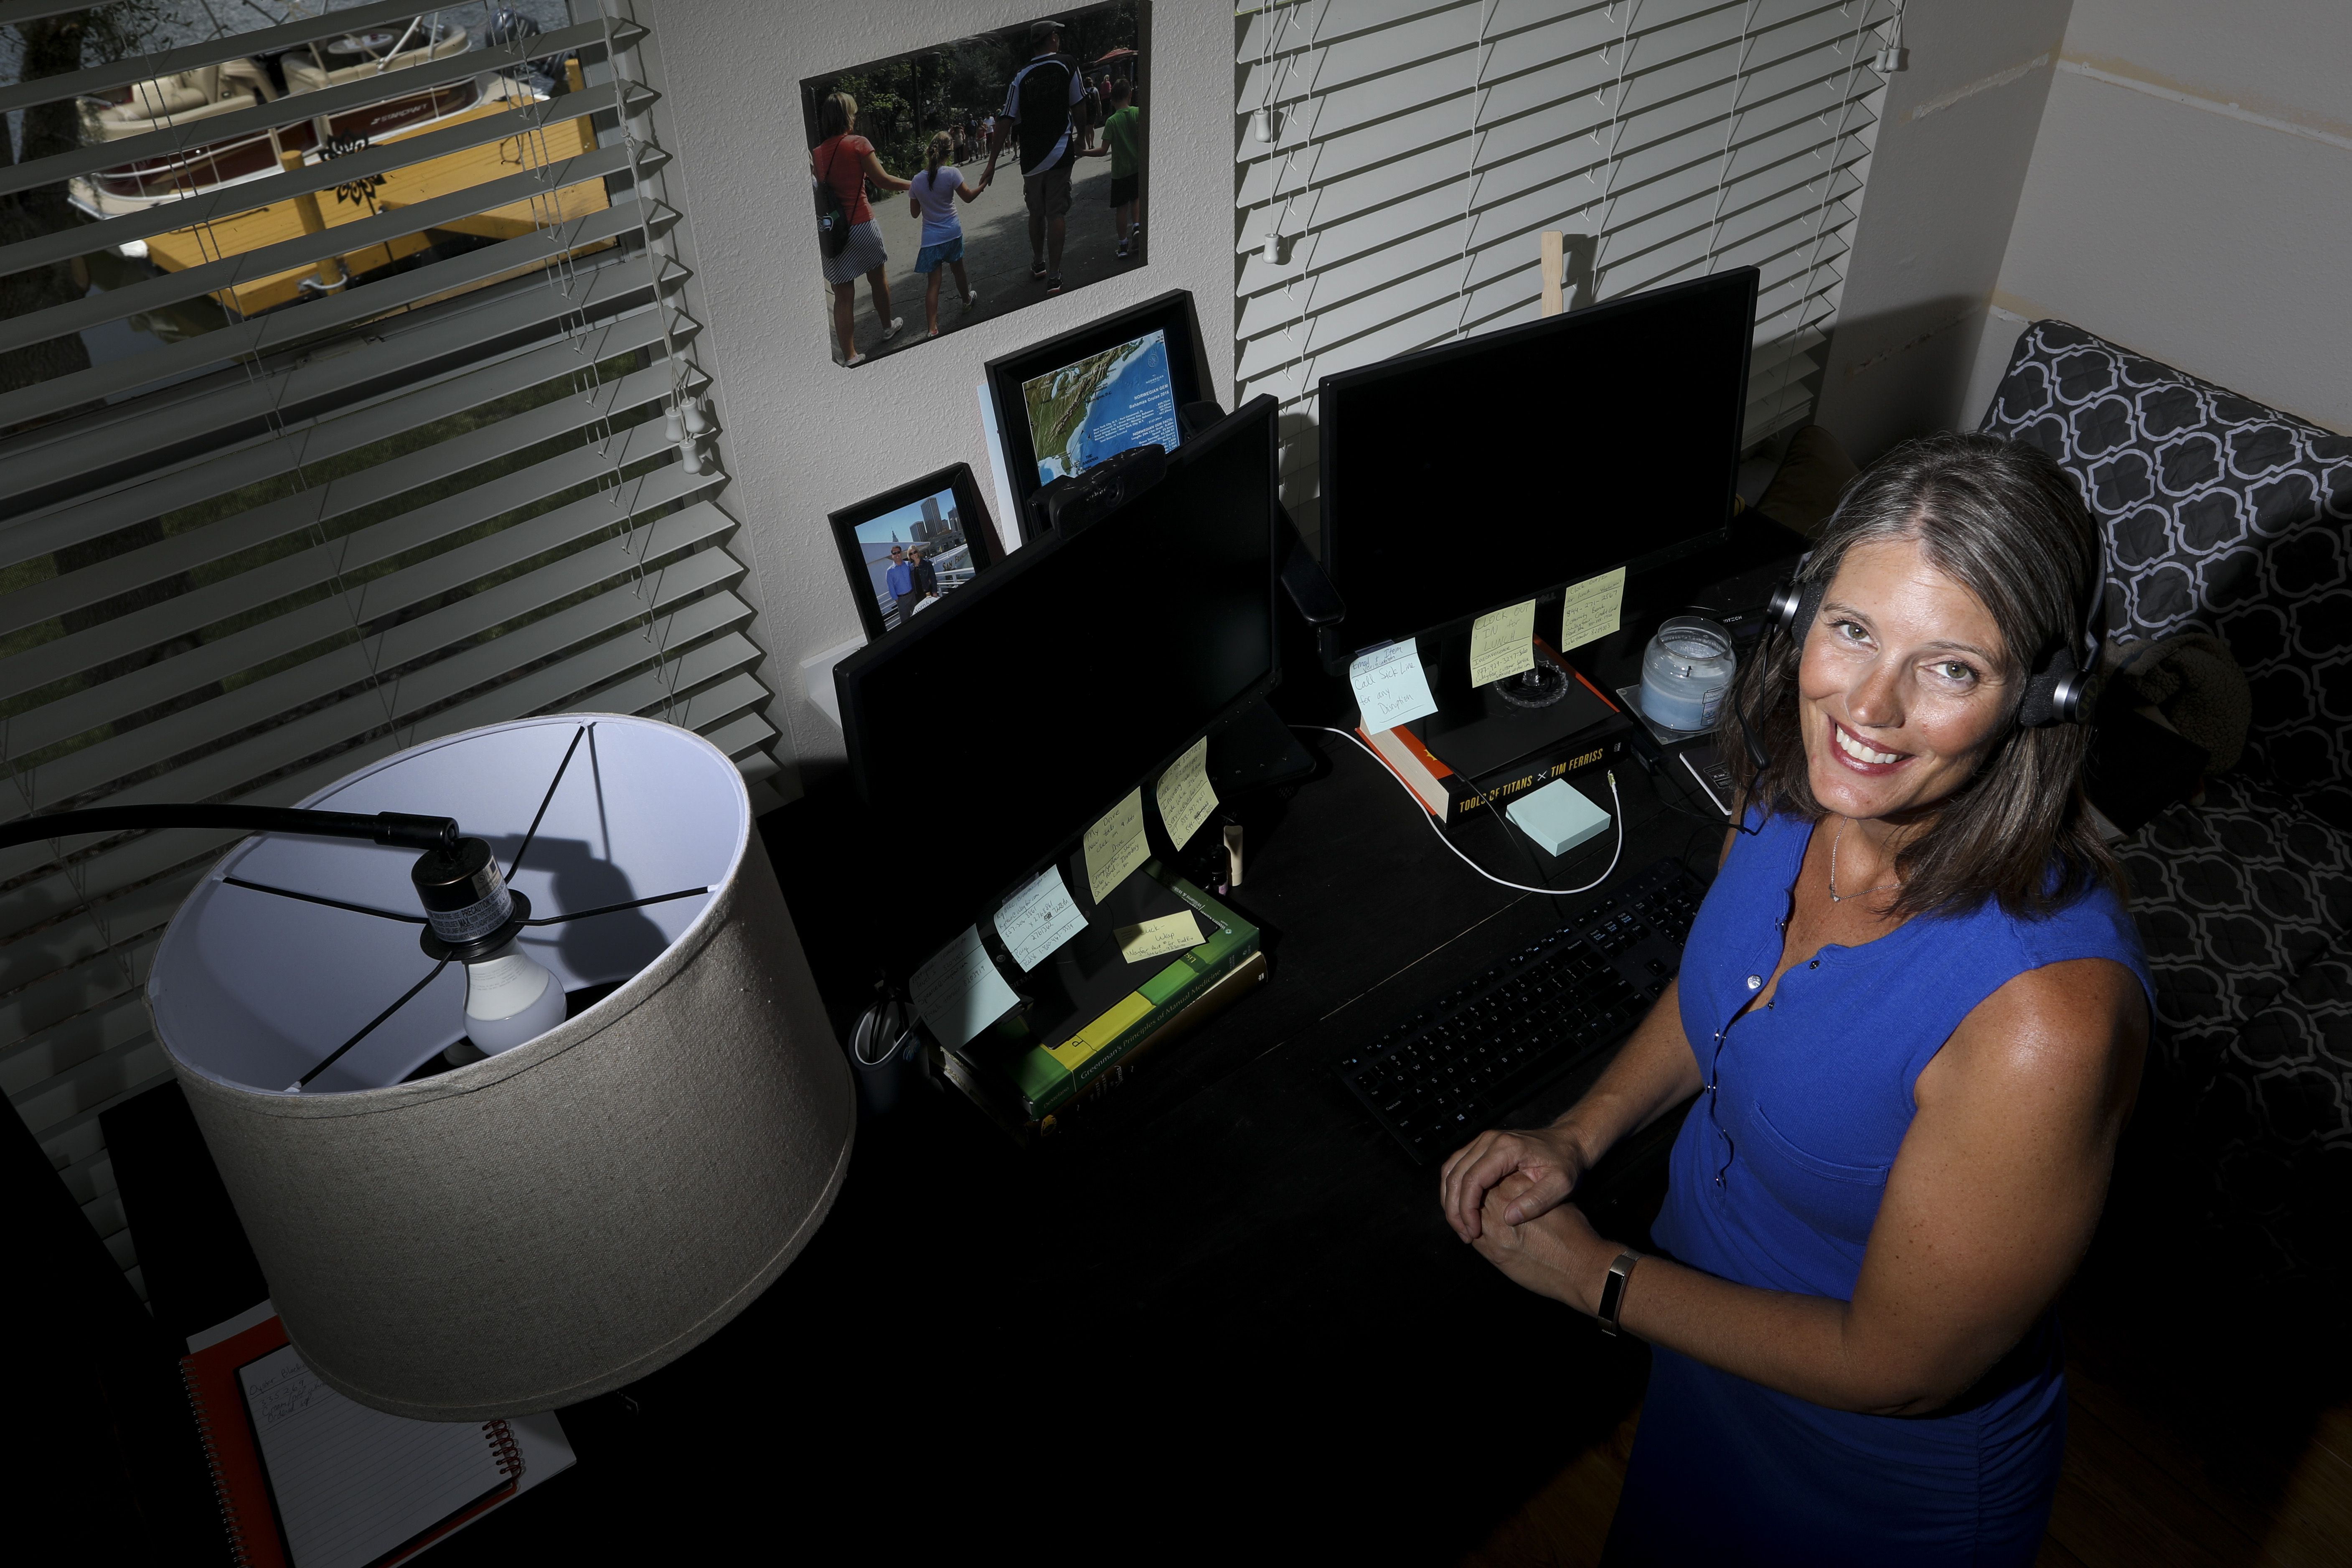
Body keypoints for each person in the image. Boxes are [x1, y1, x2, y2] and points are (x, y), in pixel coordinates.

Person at [1440, 433, 2152, 1568]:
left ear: (2038, 697)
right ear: (1799, 611)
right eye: (1851, 630)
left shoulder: (2038, 1023)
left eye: (1949, 667)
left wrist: (1594, 1279)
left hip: (1867, 1484)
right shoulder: (1791, 784)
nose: (1866, 707)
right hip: (1702, 1358)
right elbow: (1721, 993)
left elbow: (1900, 1371)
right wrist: (1577, 1135)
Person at [984, 19, 1087, 296]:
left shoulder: (1021, 77)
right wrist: (1080, 136)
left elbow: (1005, 120)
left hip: (1031, 160)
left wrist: (992, 163)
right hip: (1060, 152)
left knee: (1036, 212)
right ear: (1052, 38)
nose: (1059, 39)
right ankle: (1054, 276)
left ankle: (1039, 263)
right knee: (1056, 213)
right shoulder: (1067, 64)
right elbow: (1078, 103)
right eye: (1057, 35)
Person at [810, 91, 910, 368]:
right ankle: (888, 326)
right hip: (863, 225)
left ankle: (851, 356)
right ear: (846, 116)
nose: (855, 117)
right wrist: (913, 185)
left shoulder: (816, 156)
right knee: (878, 279)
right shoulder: (858, 144)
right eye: (853, 112)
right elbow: (882, 180)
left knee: (843, 296)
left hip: (833, 233)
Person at [906, 130, 985, 339]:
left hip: (931, 240)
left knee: (934, 284)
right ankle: (967, 300)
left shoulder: (917, 180)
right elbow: (968, 198)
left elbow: (915, 214)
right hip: (952, 233)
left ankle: (932, 329)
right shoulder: (952, 174)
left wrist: (924, 199)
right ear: (949, 152)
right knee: (959, 271)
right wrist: (983, 186)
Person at [1101, 77, 1142, 259]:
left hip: (1120, 173)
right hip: (1137, 167)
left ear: (1112, 100)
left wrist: (1083, 152)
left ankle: (1123, 246)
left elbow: (1103, 150)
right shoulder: (1138, 113)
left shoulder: (1111, 122)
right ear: (1130, 95)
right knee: (1137, 199)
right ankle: (1138, 227)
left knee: (1121, 208)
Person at [884, 545, 918, 627]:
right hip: (902, 600)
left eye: (898, 552)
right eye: (894, 553)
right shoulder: (890, 571)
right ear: (892, 556)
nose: (897, 555)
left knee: (919, 616)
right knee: (906, 623)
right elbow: (891, 587)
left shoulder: (908, 564)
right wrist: (897, 600)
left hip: (913, 596)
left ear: (901, 553)